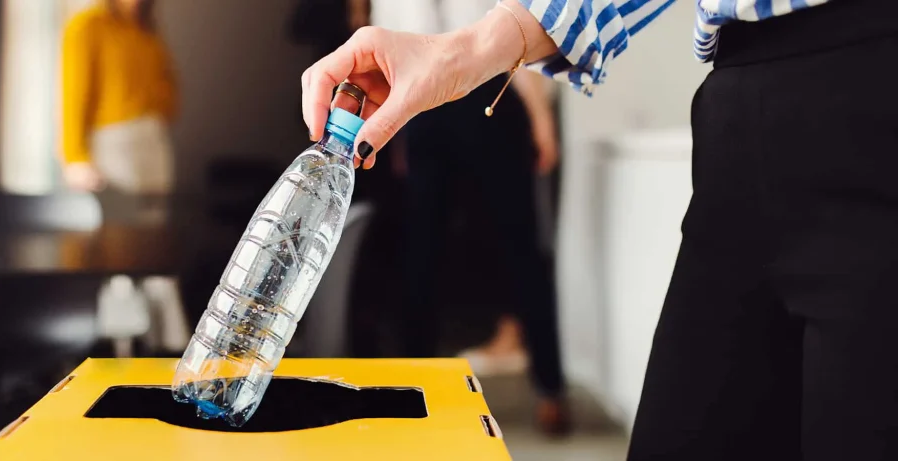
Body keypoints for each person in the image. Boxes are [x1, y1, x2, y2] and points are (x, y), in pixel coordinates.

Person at [300, 0, 898, 459]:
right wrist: (466, 51)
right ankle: (471, 395)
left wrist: (514, 95)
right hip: (737, 101)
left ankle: (536, 387)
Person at [367, 0, 567, 433]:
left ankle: (547, 389)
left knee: (496, 242)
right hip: (446, 101)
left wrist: (538, 116)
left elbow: (514, 26)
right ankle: (415, 389)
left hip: (465, 95)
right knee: (435, 248)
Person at [59, 0, 188, 354]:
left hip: (153, 145)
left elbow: (170, 92)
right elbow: (73, 95)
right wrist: (74, 157)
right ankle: (122, 347)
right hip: (115, 148)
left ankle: (165, 347)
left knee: (156, 251)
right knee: (121, 252)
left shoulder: (148, 29)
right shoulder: (88, 25)